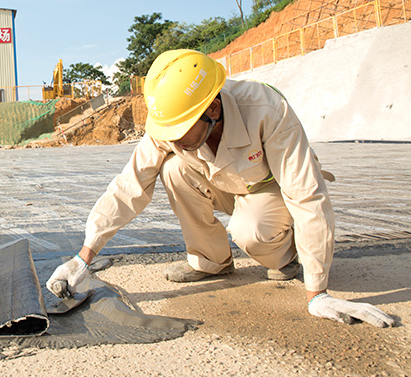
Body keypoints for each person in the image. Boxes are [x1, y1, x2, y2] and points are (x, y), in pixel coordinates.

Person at [47, 49, 395, 328]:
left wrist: (317, 293)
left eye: (181, 131)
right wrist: (83, 258)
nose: (172, 140)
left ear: (212, 107)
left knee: (250, 232)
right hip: (226, 186)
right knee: (173, 169)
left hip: (269, 190)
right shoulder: (171, 127)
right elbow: (129, 186)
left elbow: (306, 194)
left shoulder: (265, 109)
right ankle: (211, 261)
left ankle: (286, 255)